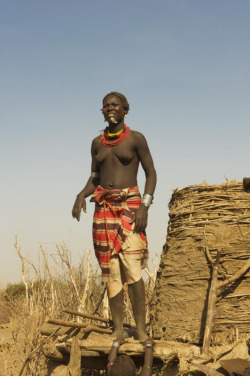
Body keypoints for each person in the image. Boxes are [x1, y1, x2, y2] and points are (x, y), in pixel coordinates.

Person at [72, 92, 157, 340]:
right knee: (111, 270)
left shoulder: (136, 139)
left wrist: (144, 206)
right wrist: (81, 194)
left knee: (132, 268)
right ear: (102, 111)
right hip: (103, 208)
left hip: (130, 206)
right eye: (106, 105)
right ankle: (118, 329)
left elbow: (151, 173)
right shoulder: (96, 143)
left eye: (115, 105)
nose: (110, 108)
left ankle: (141, 330)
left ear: (125, 109)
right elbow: (95, 178)